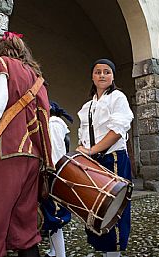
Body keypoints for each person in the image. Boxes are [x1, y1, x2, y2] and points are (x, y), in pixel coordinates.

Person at [0, 31, 53, 257]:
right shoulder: (37, 78)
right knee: (24, 229)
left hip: (3, 153)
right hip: (33, 156)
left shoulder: (0, 65)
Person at [76, 58, 133, 257]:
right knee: (94, 207)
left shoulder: (118, 97)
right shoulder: (88, 106)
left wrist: (93, 150)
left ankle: (114, 253)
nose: (102, 75)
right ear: (92, 76)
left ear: (113, 76)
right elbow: (83, 134)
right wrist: (83, 149)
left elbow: (117, 130)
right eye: (98, 71)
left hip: (113, 158)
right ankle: (103, 250)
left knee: (114, 208)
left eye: (106, 72)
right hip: (94, 161)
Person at [42, 101, 73, 257]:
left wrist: (48, 173)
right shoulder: (55, 123)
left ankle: (60, 254)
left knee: (55, 217)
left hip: (53, 175)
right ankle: (54, 251)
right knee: (51, 216)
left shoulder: (53, 123)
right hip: (56, 173)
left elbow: (53, 154)